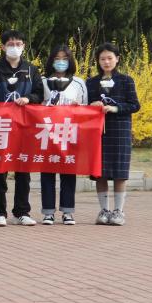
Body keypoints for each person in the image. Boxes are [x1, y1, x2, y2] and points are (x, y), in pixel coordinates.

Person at [0, 29, 43, 226]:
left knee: (23, 169)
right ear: (3, 47)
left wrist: (29, 99)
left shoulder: (31, 70)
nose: (14, 48)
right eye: (10, 44)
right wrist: (0, 106)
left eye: (18, 44)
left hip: (24, 126)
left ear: (24, 46)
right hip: (0, 126)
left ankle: (22, 212)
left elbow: (40, 94)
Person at [87, 43, 140, 226]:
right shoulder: (91, 82)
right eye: (102, 59)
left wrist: (115, 108)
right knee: (99, 172)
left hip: (120, 130)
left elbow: (135, 105)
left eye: (110, 58)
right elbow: (84, 105)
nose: (106, 62)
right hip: (98, 131)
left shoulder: (126, 81)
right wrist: (92, 106)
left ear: (117, 59)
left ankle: (118, 211)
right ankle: (104, 210)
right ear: (98, 61)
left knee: (120, 172)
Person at [40, 45, 88, 225]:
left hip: (69, 132)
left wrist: (77, 107)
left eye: (65, 59)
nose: (61, 62)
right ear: (51, 61)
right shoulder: (43, 81)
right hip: (47, 131)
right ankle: (48, 212)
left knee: (68, 171)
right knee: (47, 171)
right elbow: (36, 104)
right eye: (57, 58)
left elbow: (86, 108)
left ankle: (67, 211)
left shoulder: (78, 83)